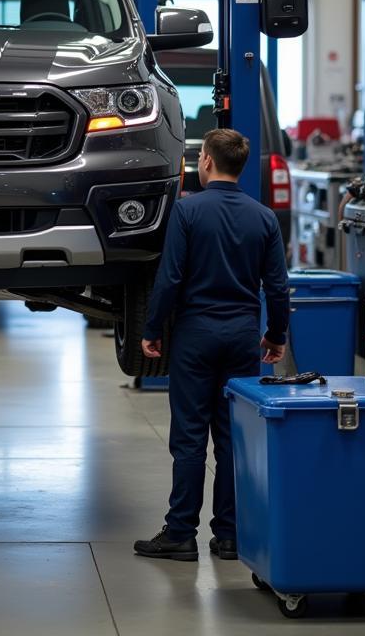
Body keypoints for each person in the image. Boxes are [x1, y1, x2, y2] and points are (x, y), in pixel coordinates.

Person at [133, 128, 289, 563]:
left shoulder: (187, 212)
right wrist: (276, 336)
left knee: (188, 439)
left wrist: (151, 328)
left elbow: (170, 278)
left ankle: (181, 533)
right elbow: (277, 287)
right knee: (233, 438)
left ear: (205, 161)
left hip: (195, 337)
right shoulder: (263, 218)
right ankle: (230, 535)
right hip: (242, 338)